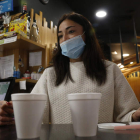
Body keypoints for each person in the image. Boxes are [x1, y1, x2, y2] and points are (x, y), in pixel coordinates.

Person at [0, 12, 140, 125]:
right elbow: (34, 114)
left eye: (71, 31)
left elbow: (127, 114)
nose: (65, 39)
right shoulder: (51, 74)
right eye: (60, 35)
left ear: (87, 35)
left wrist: (135, 115)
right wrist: (10, 112)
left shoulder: (110, 69)